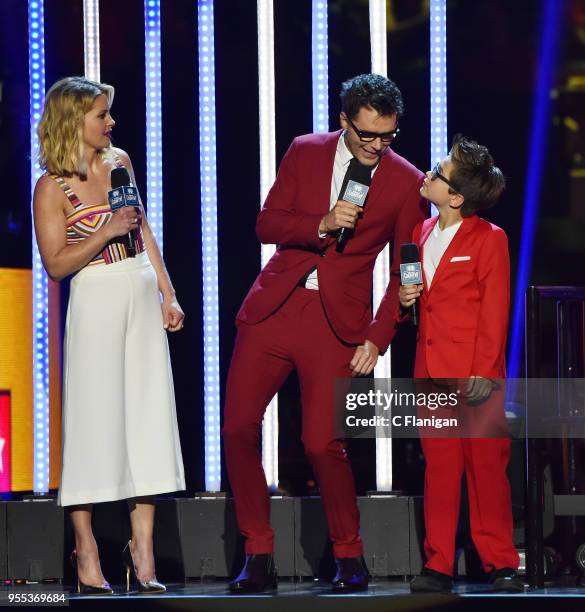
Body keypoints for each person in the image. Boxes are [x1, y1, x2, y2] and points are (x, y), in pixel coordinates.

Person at [223, 73, 426, 594]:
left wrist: (380, 337)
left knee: (321, 442)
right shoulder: (304, 151)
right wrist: (321, 222)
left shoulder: (405, 180)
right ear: (344, 121)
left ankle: (349, 555)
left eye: (387, 137)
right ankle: (258, 552)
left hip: (338, 324)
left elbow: (407, 263)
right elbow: (266, 223)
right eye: (367, 136)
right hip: (274, 309)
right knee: (238, 429)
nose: (378, 146)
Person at [33, 77, 186, 594]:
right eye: (101, 114)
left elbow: (142, 229)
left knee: (147, 417)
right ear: (74, 120)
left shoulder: (120, 161)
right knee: (95, 422)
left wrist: (167, 292)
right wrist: (102, 231)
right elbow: (55, 264)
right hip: (95, 295)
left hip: (140, 288)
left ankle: (143, 553)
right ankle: (87, 548)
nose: (111, 122)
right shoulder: (52, 187)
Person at [399, 136, 523, 593]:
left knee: (486, 466)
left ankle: (499, 561)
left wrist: (485, 370)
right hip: (431, 369)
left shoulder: (490, 239)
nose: (428, 174)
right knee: (441, 468)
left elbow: (495, 309)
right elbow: (419, 303)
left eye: (439, 171)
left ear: (456, 196)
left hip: (473, 373)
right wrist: (403, 298)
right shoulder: (420, 233)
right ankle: (438, 562)